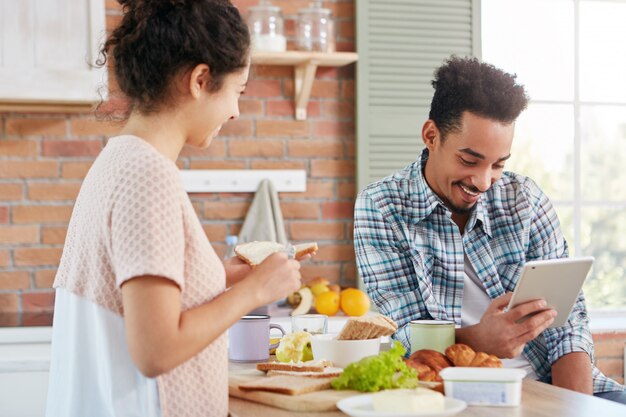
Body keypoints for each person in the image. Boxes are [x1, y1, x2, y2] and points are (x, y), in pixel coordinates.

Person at [45, 1, 305, 416]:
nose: (237, 111)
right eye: (238, 91)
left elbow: (132, 292)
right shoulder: (148, 176)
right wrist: (254, 291)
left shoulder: (119, 160)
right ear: (201, 80)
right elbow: (156, 350)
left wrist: (219, 274)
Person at [353, 56, 625, 403]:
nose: (483, 181)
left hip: (549, 386)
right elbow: (405, 336)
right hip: (451, 394)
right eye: (469, 161)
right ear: (431, 135)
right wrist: (479, 340)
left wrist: (574, 409)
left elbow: (568, 327)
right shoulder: (382, 206)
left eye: (498, 164)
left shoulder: (524, 200)